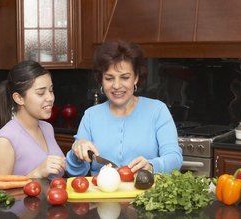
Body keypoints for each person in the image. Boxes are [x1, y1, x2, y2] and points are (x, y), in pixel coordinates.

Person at [66, 40, 183, 176]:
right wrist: (76, 154)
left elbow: (175, 158)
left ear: (136, 78)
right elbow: (76, 173)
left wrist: (152, 165)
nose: (116, 86)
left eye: (125, 77)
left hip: (145, 195)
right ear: (101, 80)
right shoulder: (91, 116)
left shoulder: (157, 110)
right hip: (102, 196)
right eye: (109, 78)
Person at [0, 60, 66, 179]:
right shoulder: (4, 141)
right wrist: (37, 173)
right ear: (19, 98)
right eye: (41, 93)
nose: (50, 98)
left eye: (51, 90)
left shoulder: (47, 128)